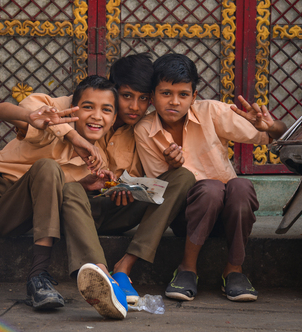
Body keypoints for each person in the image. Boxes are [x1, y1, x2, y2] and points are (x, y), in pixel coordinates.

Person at [0, 75, 128, 319]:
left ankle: (38, 276)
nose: (96, 116)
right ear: (73, 107)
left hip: (18, 210)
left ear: (114, 119)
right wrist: (39, 122)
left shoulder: (97, 161)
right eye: (88, 107)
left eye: (106, 110)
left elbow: (56, 195)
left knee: (48, 167)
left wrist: (85, 183)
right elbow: (0, 109)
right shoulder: (53, 128)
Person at [14, 54, 196, 304]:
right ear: (113, 90)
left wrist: (126, 187)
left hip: (113, 208)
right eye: (127, 96)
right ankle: (100, 273)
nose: (135, 106)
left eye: (143, 99)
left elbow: (140, 178)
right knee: (71, 190)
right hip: (72, 209)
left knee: (182, 176)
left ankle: (123, 268)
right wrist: (74, 140)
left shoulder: (141, 130)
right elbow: (15, 111)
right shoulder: (80, 113)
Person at [134, 53, 288, 302]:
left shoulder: (211, 112)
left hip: (229, 217)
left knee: (240, 186)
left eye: (183, 95)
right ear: (152, 97)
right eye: (165, 94)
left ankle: (234, 270)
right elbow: (161, 189)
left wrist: (270, 127)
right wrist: (173, 169)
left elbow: (275, 135)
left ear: (194, 97)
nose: (174, 102)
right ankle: (187, 268)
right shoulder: (145, 130)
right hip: (186, 216)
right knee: (210, 189)